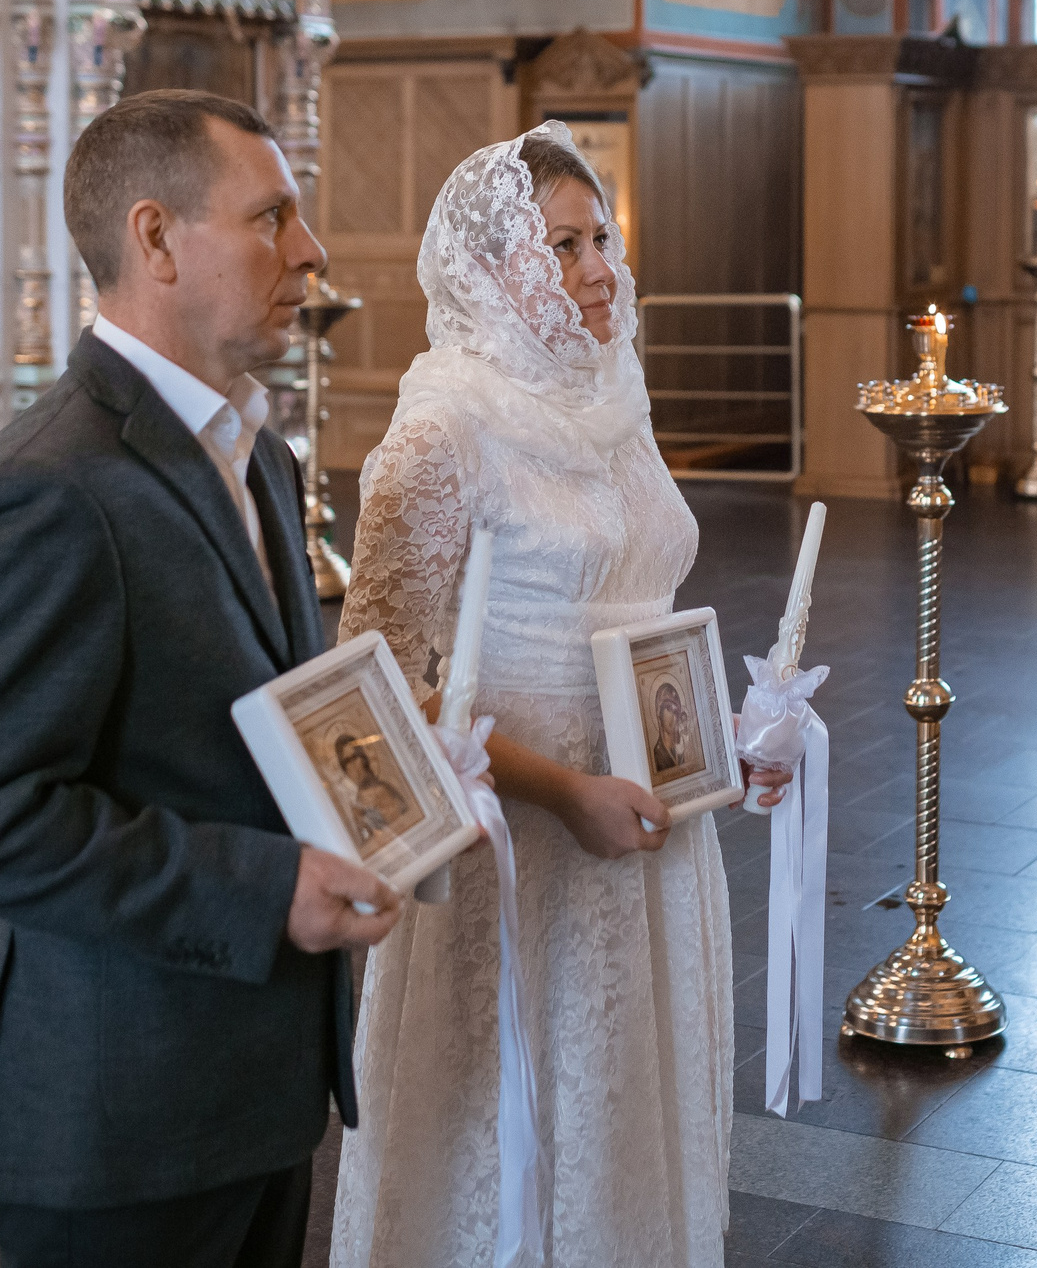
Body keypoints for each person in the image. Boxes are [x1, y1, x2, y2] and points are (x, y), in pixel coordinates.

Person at [0, 88, 403, 1268]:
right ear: (156, 239)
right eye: (271, 216)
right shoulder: (56, 486)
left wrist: (399, 770)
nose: (311, 249)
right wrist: (264, 891)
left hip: (259, 1090)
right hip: (125, 1124)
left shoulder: (258, 458)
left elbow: (245, 722)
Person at [330, 123, 788, 1268]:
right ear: (494, 270)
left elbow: (641, 610)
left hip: (647, 837)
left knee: (624, 1116)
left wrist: (717, 741)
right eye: (562, 246)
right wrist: (561, 790)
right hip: (519, 852)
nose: (598, 271)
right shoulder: (441, 435)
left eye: (602, 241)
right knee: (511, 1126)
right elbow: (373, 700)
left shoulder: (613, 403)